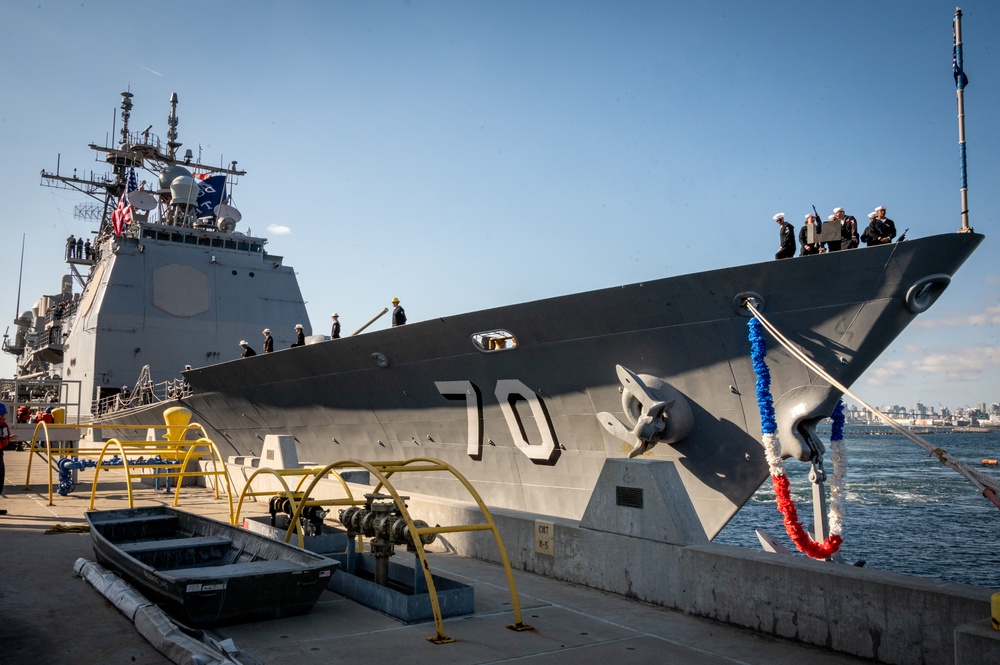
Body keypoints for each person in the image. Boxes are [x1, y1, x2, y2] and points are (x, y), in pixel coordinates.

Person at [0, 409, 9, 501]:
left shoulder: (3, 426)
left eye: (3, 415)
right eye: (1, 415)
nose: (3, 417)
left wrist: (8, 439)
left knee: (0, 477)